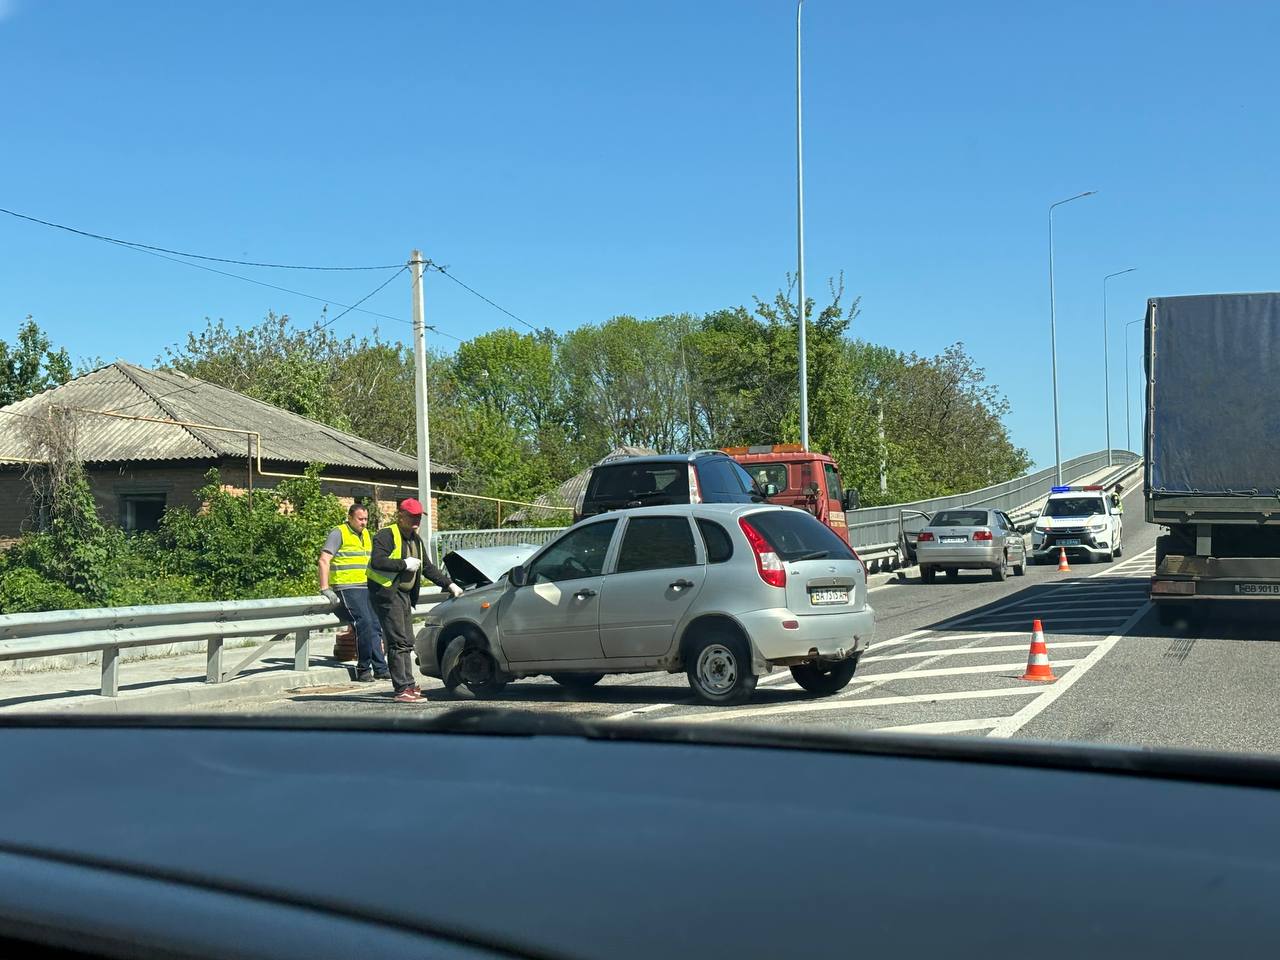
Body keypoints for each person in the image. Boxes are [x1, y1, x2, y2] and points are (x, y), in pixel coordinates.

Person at [367, 498, 463, 703]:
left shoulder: (416, 539)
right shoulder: (387, 535)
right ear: (400, 515)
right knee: (398, 641)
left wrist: (449, 584)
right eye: (412, 516)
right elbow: (377, 560)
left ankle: (408, 685)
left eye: (419, 516)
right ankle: (402, 689)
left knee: (407, 641)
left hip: (403, 596)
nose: (416, 520)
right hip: (386, 595)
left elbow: (427, 567)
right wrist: (404, 564)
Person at [319, 503, 389, 683]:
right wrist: (325, 588)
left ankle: (380, 668)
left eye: (366, 519)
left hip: (366, 586)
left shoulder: (365, 534)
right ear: (350, 517)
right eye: (360, 519)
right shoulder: (339, 532)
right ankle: (363, 668)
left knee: (374, 624)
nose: (364, 523)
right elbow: (324, 560)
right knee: (363, 623)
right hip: (346, 587)